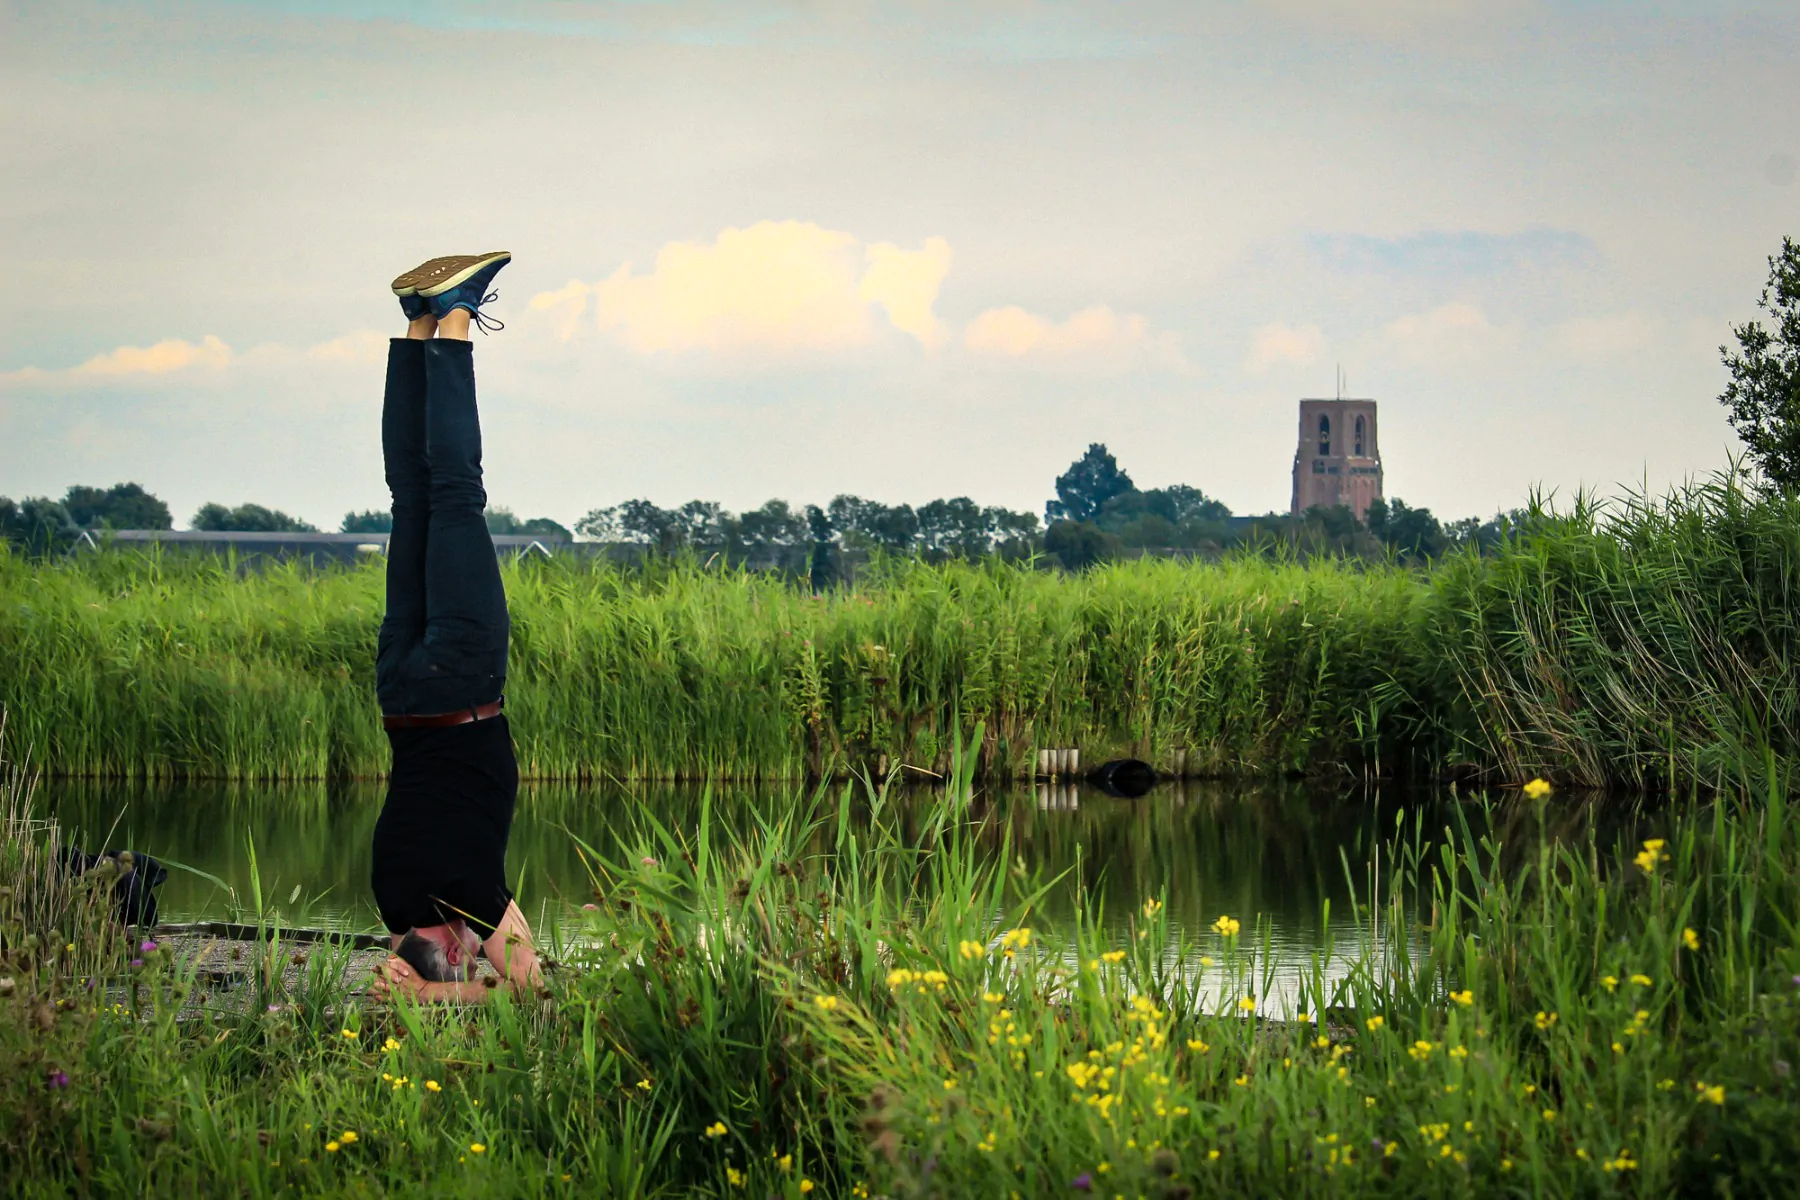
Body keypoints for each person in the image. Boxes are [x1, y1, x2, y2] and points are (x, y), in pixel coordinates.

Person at [365, 251, 543, 1004]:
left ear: (457, 949)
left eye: (471, 959)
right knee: (412, 496)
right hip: (401, 692)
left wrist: (437, 998)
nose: (483, 956)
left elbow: (535, 993)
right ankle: (418, 325)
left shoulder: (470, 893)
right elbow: (404, 965)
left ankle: (459, 316)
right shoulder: (394, 894)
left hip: (462, 682)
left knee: (455, 491)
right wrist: (412, 981)